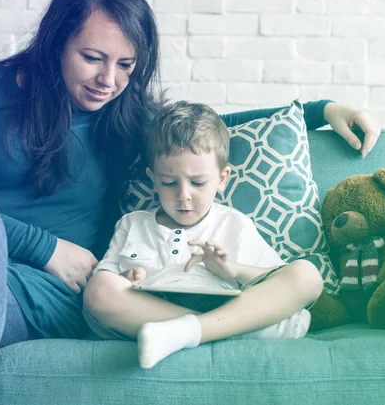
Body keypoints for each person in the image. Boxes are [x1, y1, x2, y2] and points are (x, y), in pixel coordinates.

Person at [0, 0, 380, 405]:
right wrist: (45, 248)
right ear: (55, 42)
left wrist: (319, 111)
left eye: (126, 66)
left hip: (33, 297)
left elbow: (205, 129)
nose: (108, 80)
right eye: (92, 57)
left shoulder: (127, 119)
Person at [83, 101, 319, 369]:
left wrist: (233, 270)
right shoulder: (132, 224)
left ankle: (185, 333)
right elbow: (104, 282)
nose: (183, 195)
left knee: (307, 275)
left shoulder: (234, 224)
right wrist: (125, 279)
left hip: (223, 310)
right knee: (99, 290)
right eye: (169, 183)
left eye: (197, 183)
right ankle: (211, 333)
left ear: (222, 178)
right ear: (152, 178)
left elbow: (274, 281)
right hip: (150, 312)